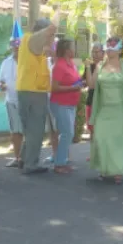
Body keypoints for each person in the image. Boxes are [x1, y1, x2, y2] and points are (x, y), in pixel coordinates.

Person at [89, 37, 123, 184]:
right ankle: (104, 168)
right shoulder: (100, 66)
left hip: (121, 109)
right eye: (108, 47)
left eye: (113, 47)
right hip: (104, 109)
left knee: (118, 142)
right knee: (101, 139)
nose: (109, 50)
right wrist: (89, 67)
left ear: (120, 50)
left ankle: (117, 170)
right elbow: (92, 85)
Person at [16, 16, 58, 175]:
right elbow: (40, 37)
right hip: (34, 91)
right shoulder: (32, 40)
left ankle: (24, 158)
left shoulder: (30, 43)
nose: (52, 39)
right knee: (36, 130)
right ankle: (30, 164)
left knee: (31, 130)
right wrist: (50, 29)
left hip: (27, 89)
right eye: (51, 36)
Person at [50, 39, 84, 174]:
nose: (74, 49)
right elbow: (54, 87)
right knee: (67, 133)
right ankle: (59, 164)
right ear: (67, 50)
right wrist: (73, 87)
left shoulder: (72, 64)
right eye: (73, 47)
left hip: (71, 104)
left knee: (67, 133)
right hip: (61, 104)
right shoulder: (59, 66)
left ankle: (61, 161)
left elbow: (74, 80)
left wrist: (80, 83)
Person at [0, 36, 24, 168]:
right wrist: (1, 85)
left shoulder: (27, 61)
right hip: (10, 100)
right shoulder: (6, 62)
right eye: (14, 44)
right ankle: (17, 157)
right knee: (15, 131)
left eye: (18, 44)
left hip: (25, 100)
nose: (16, 46)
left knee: (25, 130)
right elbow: (1, 80)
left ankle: (26, 158)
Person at [84, 42, 105, 138]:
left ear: (103, 53)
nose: (94, 55)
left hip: (103, 104)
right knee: (92, 131)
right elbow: (86, 83)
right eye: (93, 52)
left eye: (97, 52)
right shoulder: (89, 66)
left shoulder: (107, 67)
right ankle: (94, 152)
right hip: (91, 101)